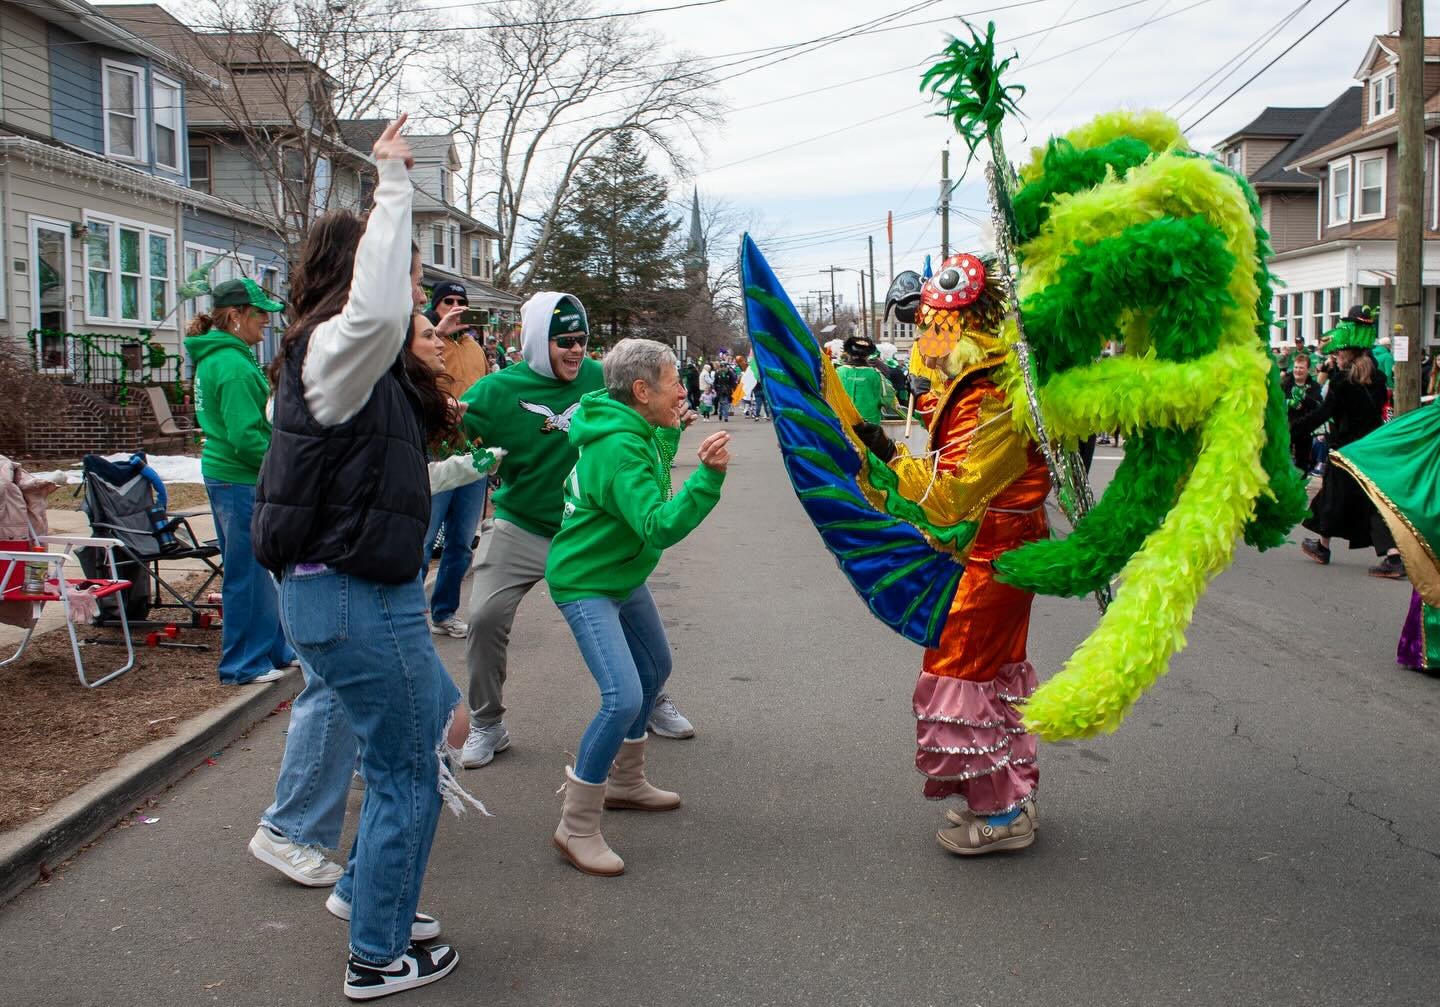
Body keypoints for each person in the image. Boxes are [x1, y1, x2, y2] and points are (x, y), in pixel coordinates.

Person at [251, 116, 476, 1001]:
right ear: (364, 277)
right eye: (414, 281)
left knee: (414, 752)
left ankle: (369, 896)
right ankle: (379, 954)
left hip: (346, 596)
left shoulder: (348, 371)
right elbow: (380, 307)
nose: (419, 304)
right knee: (407, 768)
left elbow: (375, 482)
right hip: (353, 599)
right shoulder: (336, 350)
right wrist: (391, 180)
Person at [548, 338, 729, 875]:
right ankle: (575, 826)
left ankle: (624, 783)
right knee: (622, 697)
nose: (682, 389)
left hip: (622, 575)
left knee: (654, 670)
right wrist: (708, 477)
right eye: (674, 381)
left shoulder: (633, 429)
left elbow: (648, 479)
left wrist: (670, 434)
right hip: (587, 583)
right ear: (641, 389)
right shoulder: (619, 445)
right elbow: (657, 522)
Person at [185, 278, 293, 686]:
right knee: (247, 572)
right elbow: (246, 435)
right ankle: (242, 664)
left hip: (232, 475)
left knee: (260, 568)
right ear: (235, 316)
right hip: (239, 478)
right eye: (259, 313)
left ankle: (272, 650)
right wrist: (283, 469)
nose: (265, 321)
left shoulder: (226, 356)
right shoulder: (229, 364)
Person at [1292, 306, 1400, 577]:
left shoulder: (1344, 380)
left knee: (1339, 496)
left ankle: (1391, 556)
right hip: (1371, 448)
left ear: (1347, 349)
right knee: (1346, 497)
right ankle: (1325, 546)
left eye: (1338, 351)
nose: (1335, 355)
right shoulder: (1375, 375)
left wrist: (1292, 431)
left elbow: (1323, 413)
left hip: (1347, 450)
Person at [422, 281, 490, 639]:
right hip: (435, 451)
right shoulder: (425, 341)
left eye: (461, 302)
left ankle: (443, 612)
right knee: (422, 538)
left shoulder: (476, 349)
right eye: (446, 301)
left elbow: (487, 396)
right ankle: (408, 613)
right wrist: (438, 331)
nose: (454, 307)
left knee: (462, 542)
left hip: (472, 452)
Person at [836, 335, 896, 424]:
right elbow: (889, 399)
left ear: (849, 353)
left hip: (842, 423)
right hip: (868, 425)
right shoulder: (876, 375)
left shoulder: (837, 372)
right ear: (867, 355)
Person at [1281, 351, 1323, 472]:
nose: (1298, 370)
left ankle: (1300, 485)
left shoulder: (1314, 386)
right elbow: (1276, 401)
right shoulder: (1285, 383)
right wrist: (1288, 402)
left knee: (1302, 461)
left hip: (1304, 428)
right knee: (1284, 458)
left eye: (1301, 367)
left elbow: (1317, 405)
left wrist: (1304, 396)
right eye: (1296, 367)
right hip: (1286, 426)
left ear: (1308, 369)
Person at [712, 357, 737, 422]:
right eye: (722, 366)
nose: (723, 368)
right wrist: (715, 389)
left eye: (724, 366)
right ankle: (720, 413)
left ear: (726, 367)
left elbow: (733, 382)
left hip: (727, 391)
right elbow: (715, 382)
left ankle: (726, 417)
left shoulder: (730, 373)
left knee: (726, 403)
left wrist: (734, 389)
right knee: (721, 404)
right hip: (720, 390)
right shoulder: (717, 373)